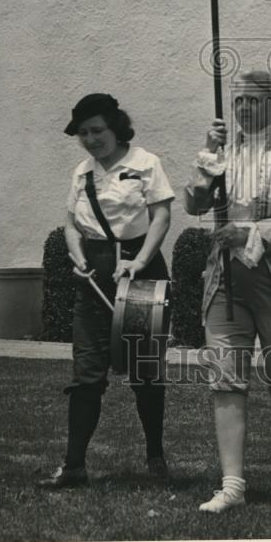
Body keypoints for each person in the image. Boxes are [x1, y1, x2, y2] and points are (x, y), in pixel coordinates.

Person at [184, 70, 271, 513]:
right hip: (225, 280)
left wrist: (248, 232)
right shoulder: (222, 152)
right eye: (237, 101)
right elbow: (195, 204)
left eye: (252, 100)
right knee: (225, 379)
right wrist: (208, 156)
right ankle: (232, 485)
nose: (242, 108)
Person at [39, 93, 174, 489]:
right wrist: (76, 256)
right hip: (93, 274)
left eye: (97, 130)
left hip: (140, 269)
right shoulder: (82, 173)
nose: (91, 139)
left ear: (115, 127)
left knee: (144, 371)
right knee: (86, 374)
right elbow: (70, 224)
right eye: (83, 133)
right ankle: (74, 465)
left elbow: (162, 215)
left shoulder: (146, 163)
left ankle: (155, 457)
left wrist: (139, 261)